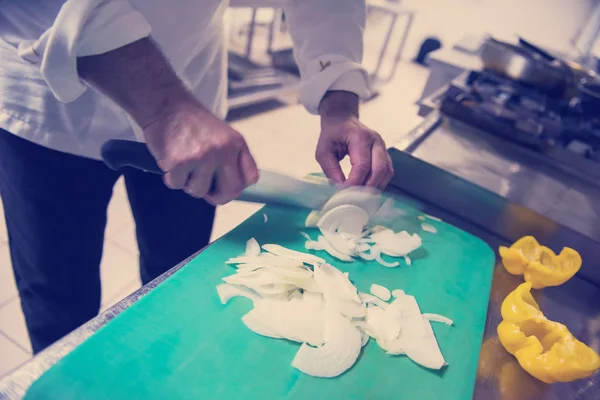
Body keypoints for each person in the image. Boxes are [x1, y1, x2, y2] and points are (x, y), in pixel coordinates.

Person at [0, 0, 394, 354]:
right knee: (60, 301)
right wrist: (165, 107)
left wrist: (340, 101)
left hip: (193, 90)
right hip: (45, 105)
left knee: (177, 277)